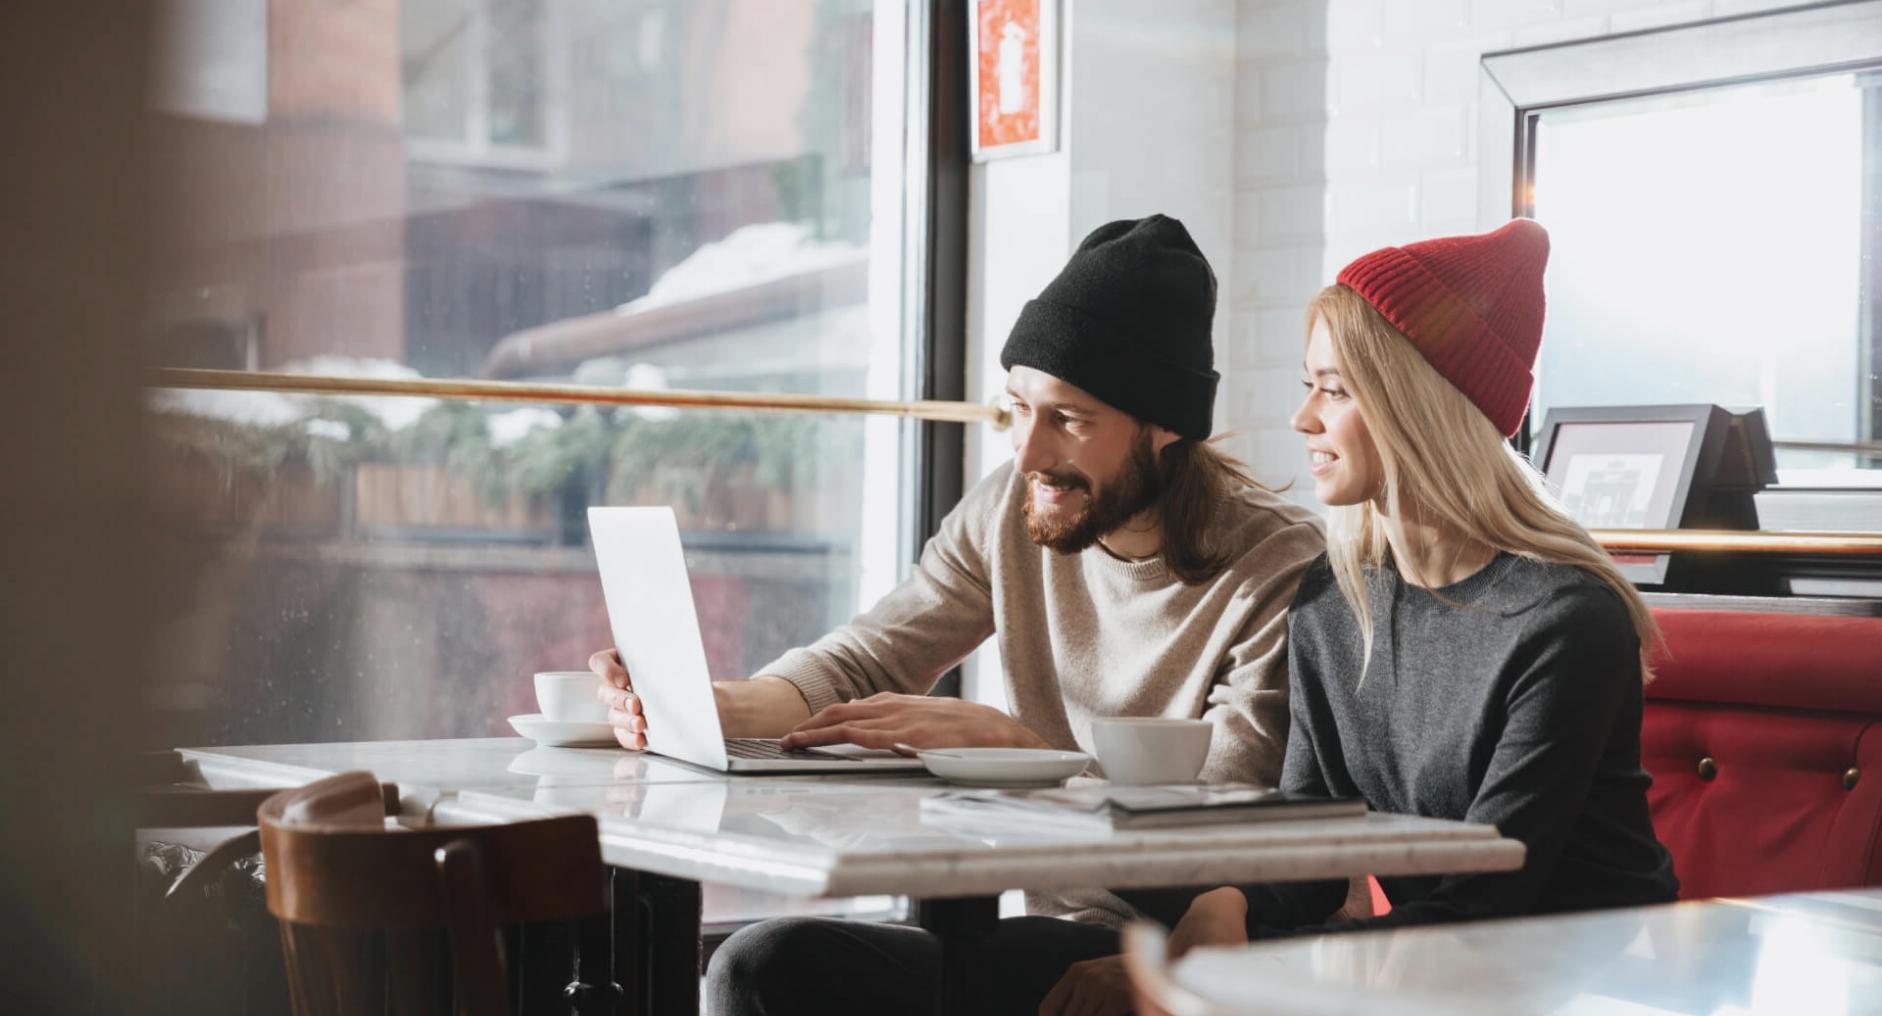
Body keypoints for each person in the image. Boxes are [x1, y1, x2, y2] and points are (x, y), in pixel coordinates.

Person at [589, 214, 1326, 1014]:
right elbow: (868, 660)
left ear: (1166, 426)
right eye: (1017, 409)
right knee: (757, 965)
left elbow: (1226, 842)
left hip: (1190, 942)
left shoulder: (1275, 567)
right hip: (1041, 928)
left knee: (901, 962)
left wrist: (1028, 757)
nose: (1029, 455)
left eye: (1069, 420)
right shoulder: (1012, 511)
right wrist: (708, 708)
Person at [1061, 219, 1680, 1013]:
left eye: (1335, 388)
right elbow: (1314, 845)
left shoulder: (1563, 621)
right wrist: (1232, 904)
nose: (1303, 419)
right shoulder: (1334, 598)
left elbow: (1483, 904)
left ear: (1419, 407)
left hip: (1594, 985)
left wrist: (1222, 976)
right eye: (1308, 383)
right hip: (1438, 972)